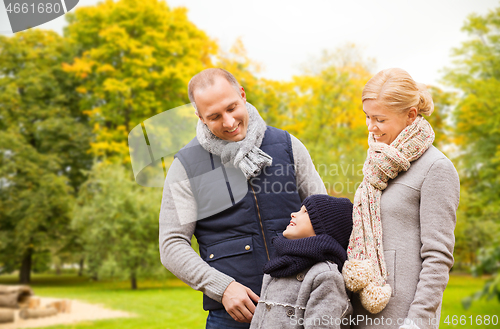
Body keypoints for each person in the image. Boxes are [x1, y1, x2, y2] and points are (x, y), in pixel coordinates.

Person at [159, 68, 326, 328]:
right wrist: (222, 288)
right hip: (232, 318)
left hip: (301, 307)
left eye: (232, 108)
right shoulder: (186, 166)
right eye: (214, 116)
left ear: (243, 95)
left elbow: (323, 216)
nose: (228, 122)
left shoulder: (287, 145)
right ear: (199, 116)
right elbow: (171, 245)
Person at [341, 68, 460, 329]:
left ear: (411, 116)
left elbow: (438, 256)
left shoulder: (436, 168)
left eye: (380, 119)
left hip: (401, 318)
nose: (371, 127)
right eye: (367, 117)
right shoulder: (377, 165)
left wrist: (417, 322)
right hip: (361, 311)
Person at [250, 195, 354, 329]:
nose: (293, 214)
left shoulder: (325, 276)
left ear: (324, 228)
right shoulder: (277, 267)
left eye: (305, 212)